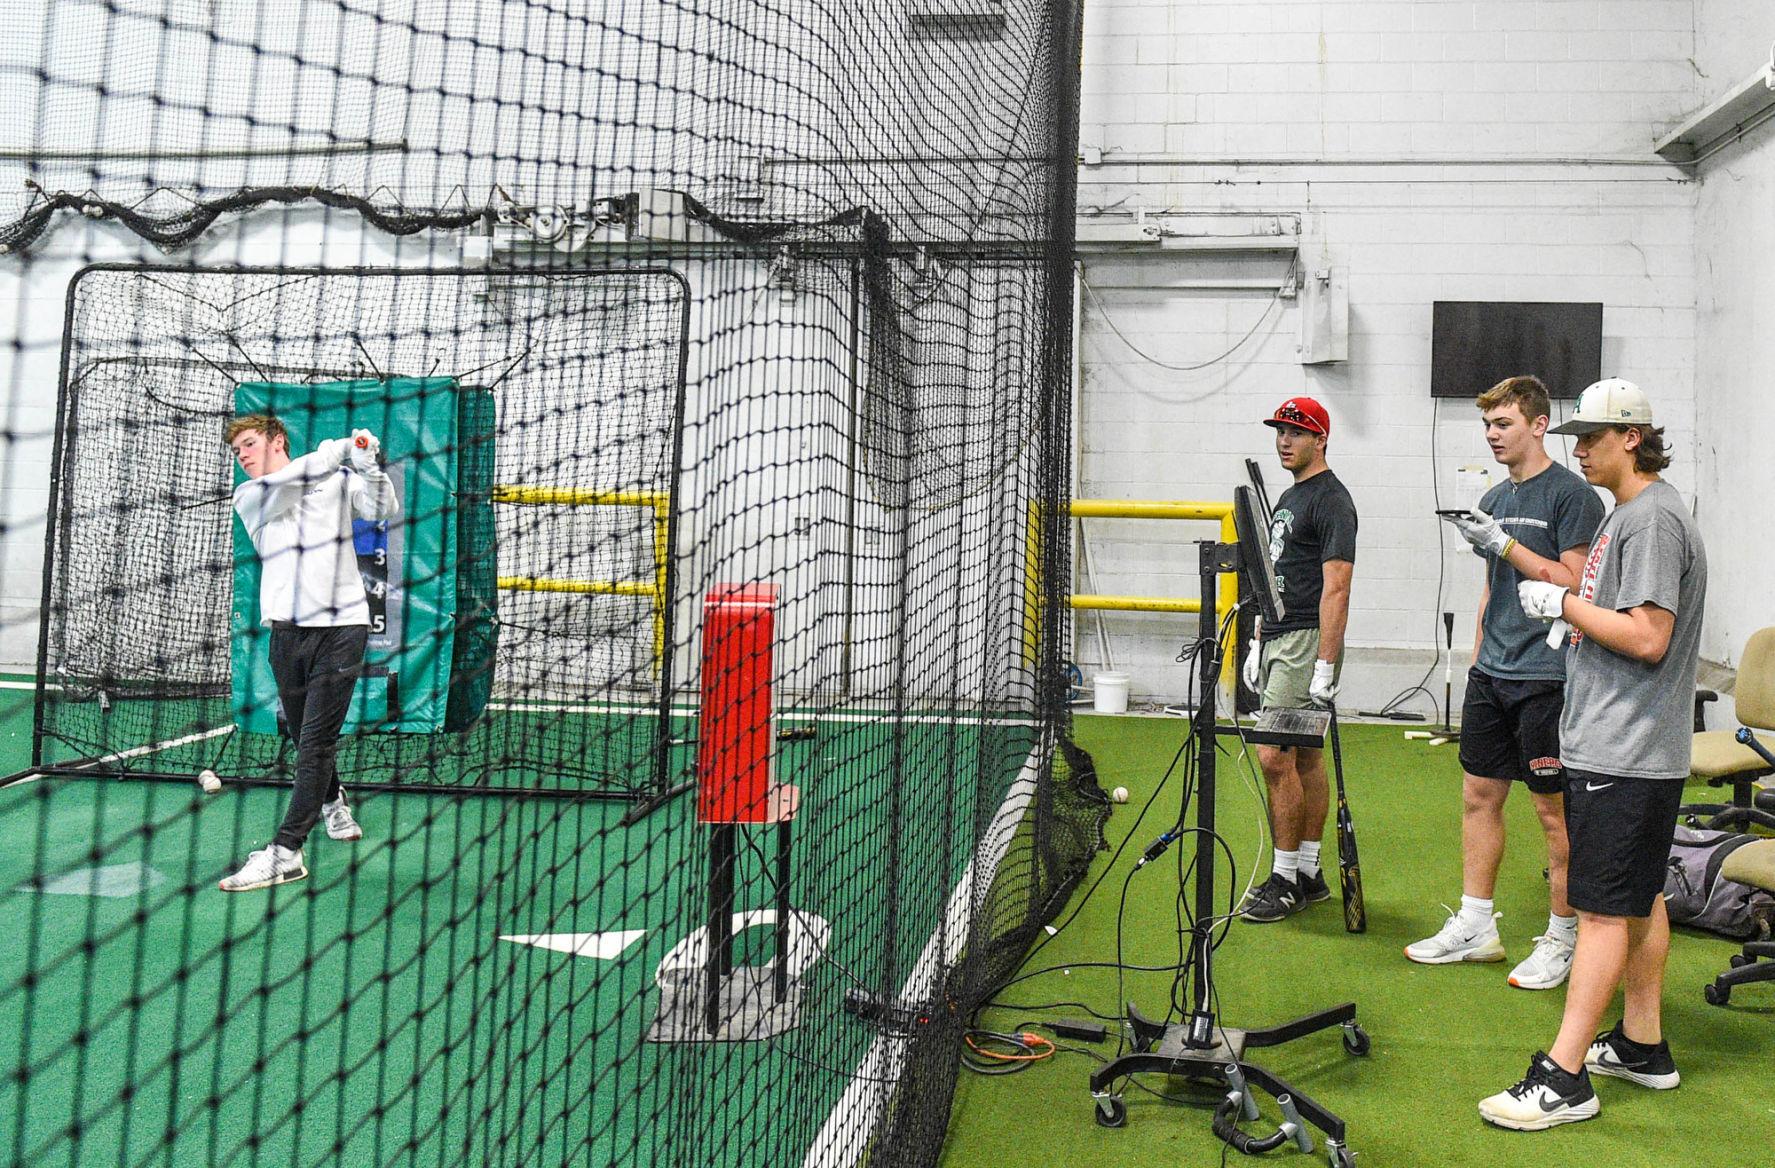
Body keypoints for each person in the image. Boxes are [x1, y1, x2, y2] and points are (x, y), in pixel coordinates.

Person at [1478, 378, 1706, 1130]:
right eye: (1572, 435)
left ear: (1631, 438)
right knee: (1637, 897)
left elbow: (1647, 636)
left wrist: (1565, 604)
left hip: (1626, 748)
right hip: (1618, 741)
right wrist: (1574, 618)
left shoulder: (1652, 522)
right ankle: (1641, 1045)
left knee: (1600, 910)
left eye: (1592, 437)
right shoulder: (1628, 513)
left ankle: (1564, 1076)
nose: (1576, 448)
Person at [1407, 376, 1604, 989]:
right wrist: (1477, 659)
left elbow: (1571, 581)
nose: (1493, 436)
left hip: (1548, 678)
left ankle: (1563, 937)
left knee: (1554, 816)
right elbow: (1494, 587)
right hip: (1493, 674)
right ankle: (1476, 924)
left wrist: (1505, 542)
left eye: (1504, 425)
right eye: (1488, 426)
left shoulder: (1574, 497)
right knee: (1478, 797)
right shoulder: (1491, 498)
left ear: (1539, 425)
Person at [218, 414, 399, 892]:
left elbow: (383, 506)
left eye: (250, 444)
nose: (244, 456)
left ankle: (287, 850)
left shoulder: (334, 477)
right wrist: (337, 450)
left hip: (342, 629)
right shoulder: (252, 496)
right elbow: (300, 477)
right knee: (303, 735)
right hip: (286, 635)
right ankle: (334, 800)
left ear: (278, 440)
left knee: (316, 740)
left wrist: (368, 466)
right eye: (237, 451)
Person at [1238, 396, 1357, 923]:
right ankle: (1308, 870)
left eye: (1296, 432)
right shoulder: (1292, 495)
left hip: (1307, 640)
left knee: (1273, 757)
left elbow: (1336, 588)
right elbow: (1282, 574)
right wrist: (1259, 637)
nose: (1284, 440)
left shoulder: (1332, 500)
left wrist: (1325, 663)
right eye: (1280, 430)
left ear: (1320, 439)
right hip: (1282, 638)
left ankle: (1284, 878)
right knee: (1305, 758)